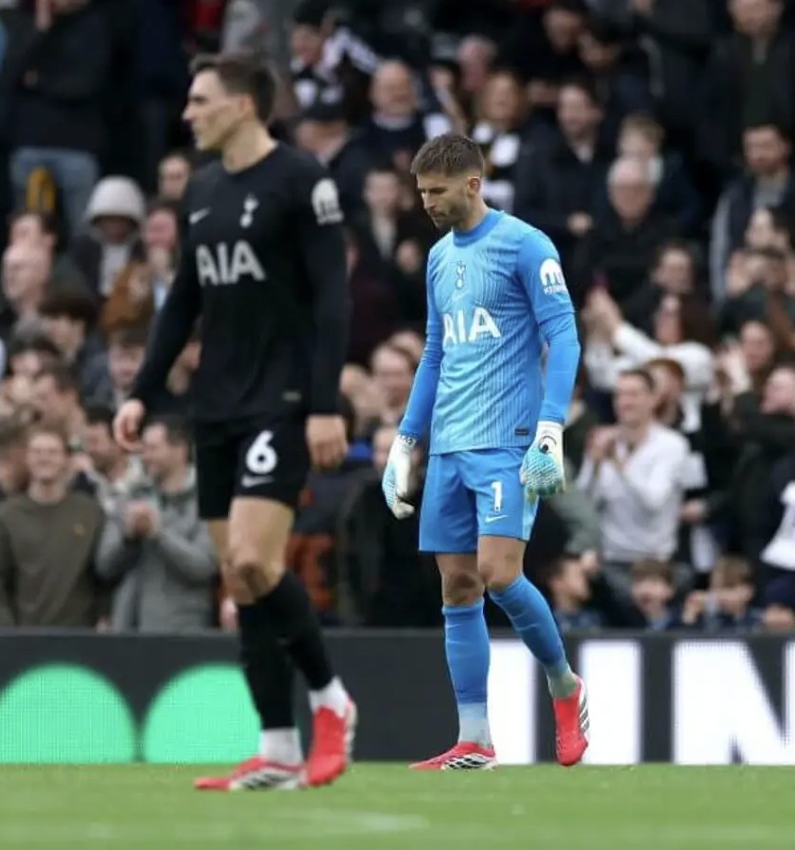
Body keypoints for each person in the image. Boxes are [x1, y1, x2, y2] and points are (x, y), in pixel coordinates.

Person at [113, 51, 355, 791]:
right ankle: (277, 746)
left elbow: (332, 299)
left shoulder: (301, 180)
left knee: (253, 558)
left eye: (201, 100)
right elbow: (184, 301)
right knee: (240, 581)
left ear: (244, 104)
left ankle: (331, 700)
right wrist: (143, 392)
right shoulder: (204, 189)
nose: (188, 114)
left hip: (282, 399)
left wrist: (323, 403)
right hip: (215, 402)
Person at [381, 133, 589, 770]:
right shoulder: (438, 258)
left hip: (508, 439)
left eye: (436, 191)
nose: (427, 203)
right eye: (421, 192)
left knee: (500, 573)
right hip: (449, 444)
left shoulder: (526, 245)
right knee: (458, 586)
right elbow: (435, 353)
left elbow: (565, 337)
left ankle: (564, 685)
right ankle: (475, 738)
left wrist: (551, 428)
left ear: (473, 184)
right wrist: (406, 440)